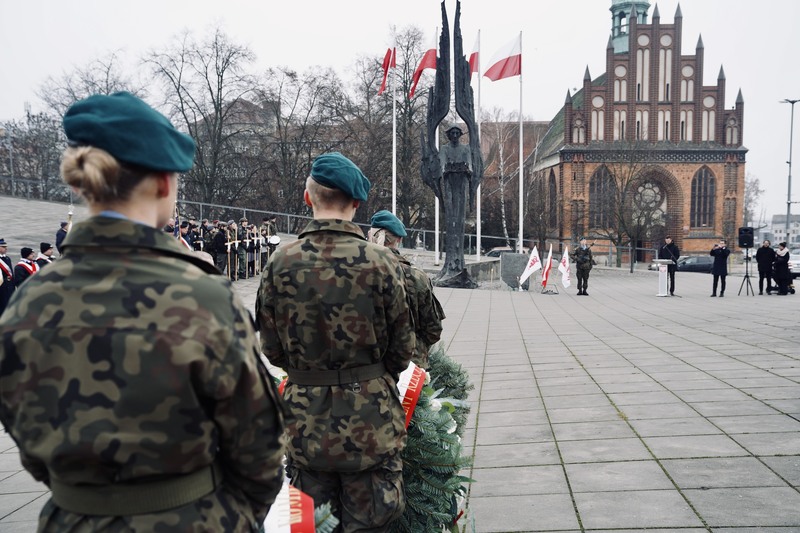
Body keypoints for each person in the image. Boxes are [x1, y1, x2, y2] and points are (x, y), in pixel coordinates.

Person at [0, 91, 285, 531]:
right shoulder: (202, 295)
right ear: (164, 182)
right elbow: (259, 443)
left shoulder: (28, 300)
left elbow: (26, 434)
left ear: (81, 184)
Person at [256, 152, 414, 531]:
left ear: (307, 198)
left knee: (312, 526)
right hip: (372, 422)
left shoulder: (281, 261)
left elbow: (272, 348)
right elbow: (402, 349)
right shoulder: (382, 261)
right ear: (357, 204)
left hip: (305, 426)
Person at [369, 209, 445, 369]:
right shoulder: (416, 276)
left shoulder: (358, 271)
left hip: (367, 365)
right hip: (409, 365)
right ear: (400, 239)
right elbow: (433, 329)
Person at [0, 238, 15, 316]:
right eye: (3, 246)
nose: (6, 248)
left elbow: (11, 272)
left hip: (9, 286)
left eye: (6, 246)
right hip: (1, 286)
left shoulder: (7, 258)